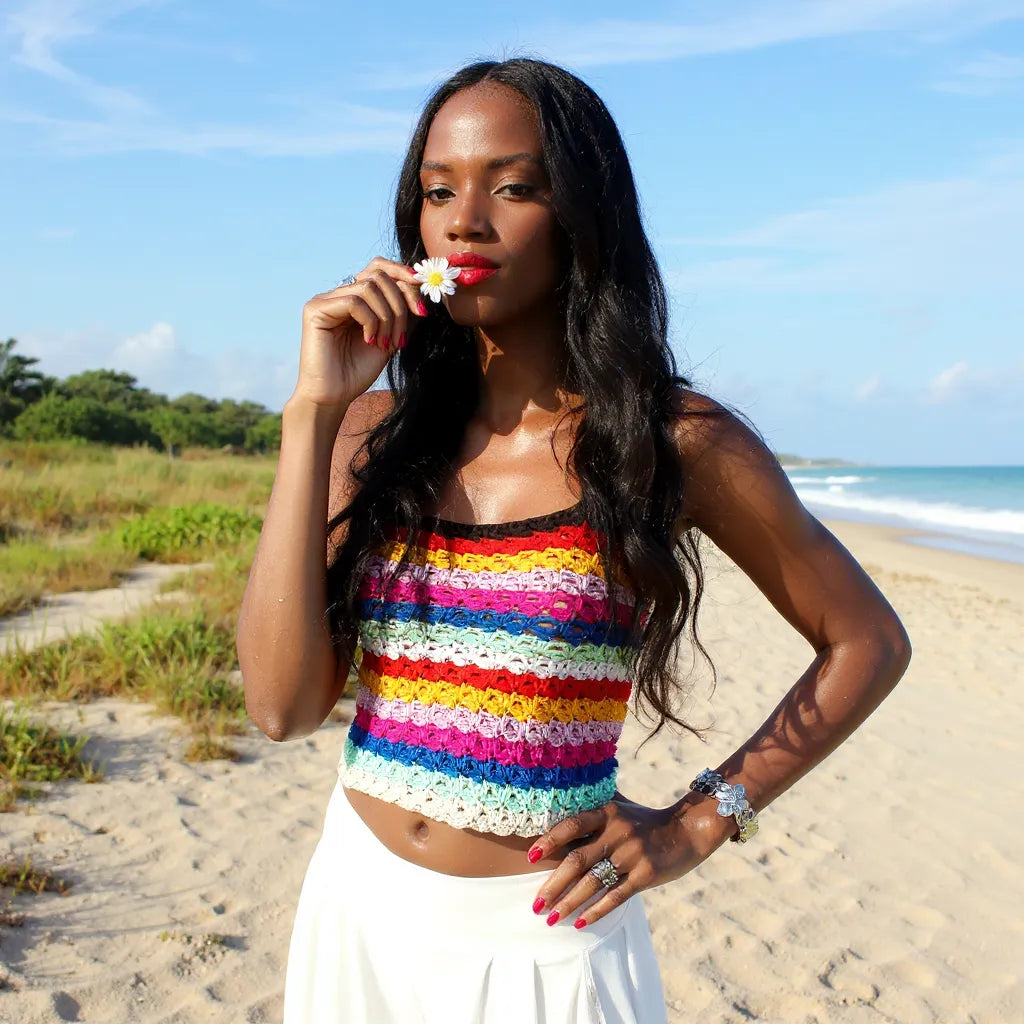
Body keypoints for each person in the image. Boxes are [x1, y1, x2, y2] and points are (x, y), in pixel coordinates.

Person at [236, 57, 911, 1024]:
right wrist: (310, 415)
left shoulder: (670, 443)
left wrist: (700, 821)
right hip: (357, 912)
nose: (465, 222)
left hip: (546, 942)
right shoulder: (369, 435)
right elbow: (280, 706)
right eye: (438, 191)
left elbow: (867, 640)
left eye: (514, 188)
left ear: (584, 217)